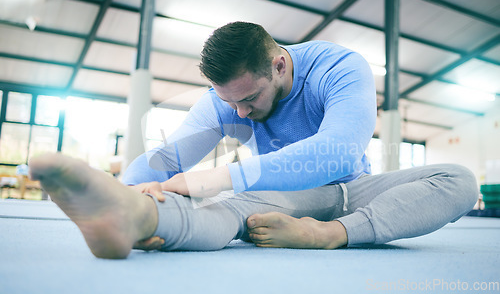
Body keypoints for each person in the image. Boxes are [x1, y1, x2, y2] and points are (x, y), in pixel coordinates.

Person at [29, 21, 478, 259]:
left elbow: (338, 148)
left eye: (250, 98)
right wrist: (127, 191)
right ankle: (134, 220)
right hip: (282, 196)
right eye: (230, 103)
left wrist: (209, 179)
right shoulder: (224, 100)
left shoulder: (340, 68)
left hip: (356, 191)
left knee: (458, 179)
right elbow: (169, 157)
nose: (239, 112)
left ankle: (329, 236)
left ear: (279, 65)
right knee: (227, 210)